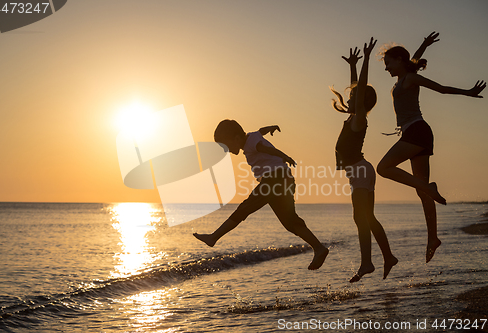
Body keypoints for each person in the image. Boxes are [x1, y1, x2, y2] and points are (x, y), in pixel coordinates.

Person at [376, 32, 486, 262]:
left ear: (398, 60)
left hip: (417, 132)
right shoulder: (404, 77)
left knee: (383, 168)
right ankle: (432, 238)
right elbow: (413, 60)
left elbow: (441, 89)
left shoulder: (410, 79)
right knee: (422, 191)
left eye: (388, 63)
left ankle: (430, 187)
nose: (386, 68)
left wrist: (468, 92)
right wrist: (424, 45)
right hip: (416, 133)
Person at [193, 120, 329, 270]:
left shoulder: (252, 144)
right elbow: (260, 132)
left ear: (237, 138)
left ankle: (213, 237)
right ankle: (319, 248)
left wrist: (285, 156)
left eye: (226, 145)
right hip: (285, 179)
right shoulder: (251, 137)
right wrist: (270, 128)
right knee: (290, 222)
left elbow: (265, 148)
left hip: (274, 179)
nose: (226, 150)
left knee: (244, 209)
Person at [331, 37, 398, 283]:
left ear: (361, 103)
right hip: (360, 171)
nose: (348, 99)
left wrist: (367, 59)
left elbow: (358, 95)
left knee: (362, 218)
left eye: (354, 98)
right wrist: (353, 64)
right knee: (366, 218)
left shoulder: (360, 119)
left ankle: (368, 262)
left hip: (360, 171)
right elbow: (354, 89)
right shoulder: (352, 117)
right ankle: (386, 257)